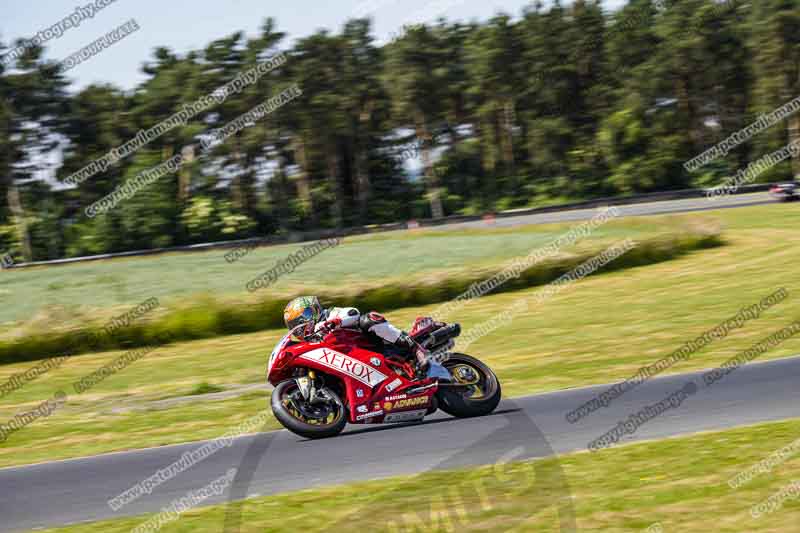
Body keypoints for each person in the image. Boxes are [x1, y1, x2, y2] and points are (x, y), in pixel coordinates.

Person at [283, 296, 431, 373]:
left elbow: (353, 312)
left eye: (303, 317)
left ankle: (416, 349)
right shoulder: (312, 340)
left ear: (313, 310)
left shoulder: (330, 314)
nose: (299, 326)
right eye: (294, 324)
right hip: (356, 361)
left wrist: (336, 321)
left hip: (373, 344)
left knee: (368, 319)